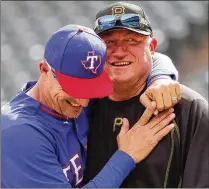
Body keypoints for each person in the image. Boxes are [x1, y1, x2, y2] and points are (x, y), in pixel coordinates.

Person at [2, 24, 178, 188]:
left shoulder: (65, 99)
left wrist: (160, 79)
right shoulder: (19, 134)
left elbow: (151, 57)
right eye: (74, 88)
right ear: (44, 70)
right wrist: (127, 156)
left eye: (89, 88)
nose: (83, 102)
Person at [84, 2, 209, 188]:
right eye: (109, 42)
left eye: (131, 40)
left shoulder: (188, 108)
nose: (119, 52)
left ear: (152, 48)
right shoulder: (79, 107)